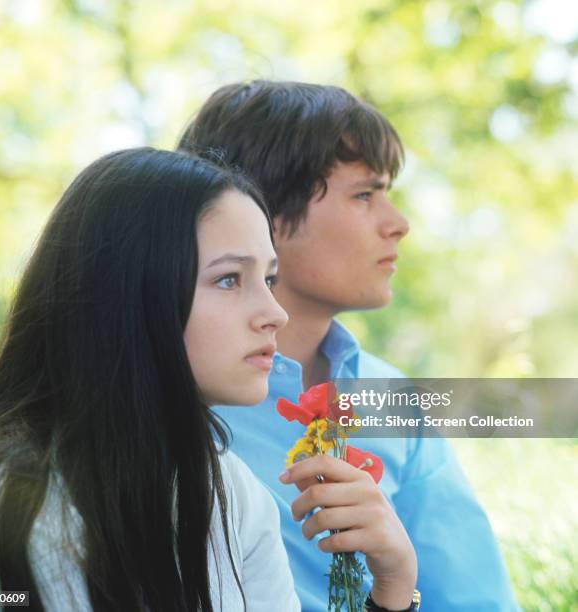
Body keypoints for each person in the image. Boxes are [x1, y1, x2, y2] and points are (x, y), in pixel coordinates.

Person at [179, 80, 520, 611]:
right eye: (365, 194)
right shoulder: (165, 394)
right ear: (257, 212)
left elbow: (472, 601)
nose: (398, 224)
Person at [0, 148, 301, 611]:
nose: (275, 314)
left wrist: (391, 594)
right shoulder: (17, 498)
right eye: (229, 280)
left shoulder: (231, 492)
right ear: (130, 291)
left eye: (269, 279)